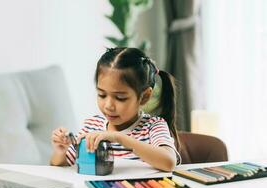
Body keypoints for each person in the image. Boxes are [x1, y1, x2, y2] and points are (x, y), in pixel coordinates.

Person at [50, 47, 181, 172]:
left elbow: (169, 162)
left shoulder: (153, 126)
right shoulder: (92, 126)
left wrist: (120, 138)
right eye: (102, 95)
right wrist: (61, 151)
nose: (108, 105)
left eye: (120, 98)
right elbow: (63, 166)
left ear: (144, 96)